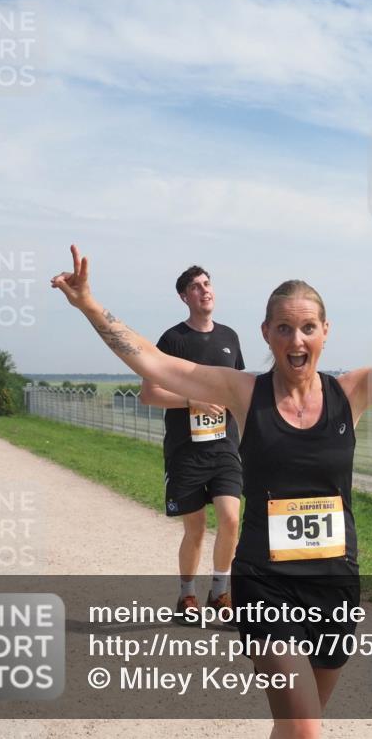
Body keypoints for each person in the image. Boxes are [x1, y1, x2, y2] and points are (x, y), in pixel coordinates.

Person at [52, 227, 372, 739]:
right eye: (284, 329)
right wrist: (89, 304)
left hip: (335, 580)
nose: (296, 341)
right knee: (305, 729)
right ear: (266, 333)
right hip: (266, 581)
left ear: (325, 331)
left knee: (297, 727)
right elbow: (154, 362)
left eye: (308, 328)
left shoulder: (352, 393)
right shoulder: (243, 392)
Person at [139, 265, 246, 621]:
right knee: (196, 529)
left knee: (230, 519)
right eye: (196, 287)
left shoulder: (230, 337)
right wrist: (191, 401)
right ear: (184, 297)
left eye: (207, 283)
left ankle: (220, 592)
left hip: (225, 448)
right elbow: (149, 394)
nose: (204, 290)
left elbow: (237, 391)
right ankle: (186, 595)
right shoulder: (172, 340)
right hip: (185, 451)